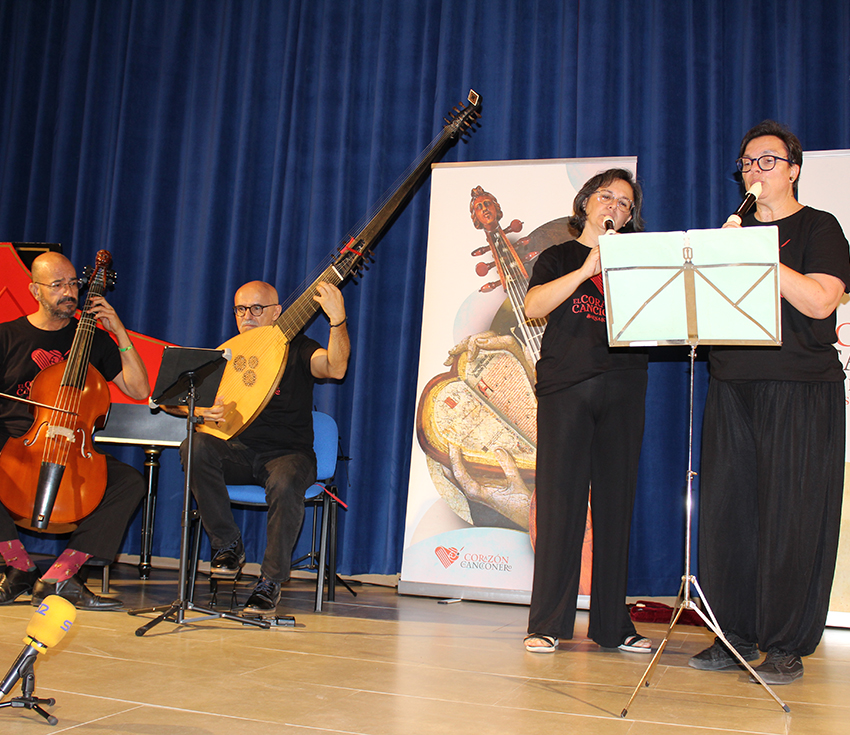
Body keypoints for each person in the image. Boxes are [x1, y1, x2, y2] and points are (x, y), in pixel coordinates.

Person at [690, 121, 850, 684]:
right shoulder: (729, 232)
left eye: (767, 160)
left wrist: (756, 256)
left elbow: (821, 300)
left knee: (792, 517)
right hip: (732, 384)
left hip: (801, 387)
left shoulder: (820, 227)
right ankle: (733, 633)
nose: (754, 170)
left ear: (793, 170)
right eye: (747, 163)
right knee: (728, 516)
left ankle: (785, 643)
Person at [523, 168, 651, 654]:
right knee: (560, 505)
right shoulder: (558, 256)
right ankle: (548, 623)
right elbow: (534, 306)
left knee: (616, 506)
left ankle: (613, 626)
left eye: (624, 203)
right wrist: (585, 270)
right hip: (567, 388)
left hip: (624, 385)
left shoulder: (637, 262)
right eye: (606, 197)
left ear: (629, 217)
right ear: (585, 204)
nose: (614, 207)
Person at [180, 280, 349, 618]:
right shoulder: (227, 354)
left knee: (285, 483)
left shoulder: (299, 347)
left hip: (289, 454)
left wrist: (337, 321)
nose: (247, 316)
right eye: (240, 309)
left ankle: (270, 581)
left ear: (276, 312)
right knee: (194, 446)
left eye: (257, 308)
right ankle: (227, 544)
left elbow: (335, 367)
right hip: (238, 451)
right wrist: (200, 412)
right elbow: (176, 401)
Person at [0, 252, 149, 609]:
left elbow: (139, 388)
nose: (69, 292)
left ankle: (62, 576)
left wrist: (119, 332)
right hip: (16, 445)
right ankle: (18, 567)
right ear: (35, 290)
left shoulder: (93, 339)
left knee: (129, 482)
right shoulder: (6, 336)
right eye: (57, 285)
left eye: (72, 283)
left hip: (73, 448)